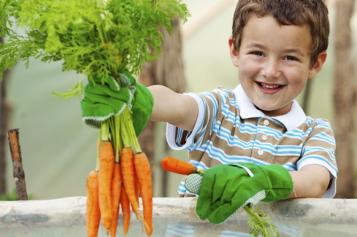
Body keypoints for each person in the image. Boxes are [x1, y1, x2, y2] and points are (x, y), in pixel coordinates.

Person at [81, 0, 337, 225]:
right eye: (258, 53)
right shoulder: (219, 106)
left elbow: (315, 180)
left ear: (315, 63)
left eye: (289, 58)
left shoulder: (314, 131)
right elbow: (178, 105)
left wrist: (264, 180)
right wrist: (141, 98)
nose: (270, 70)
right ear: (235, 50)